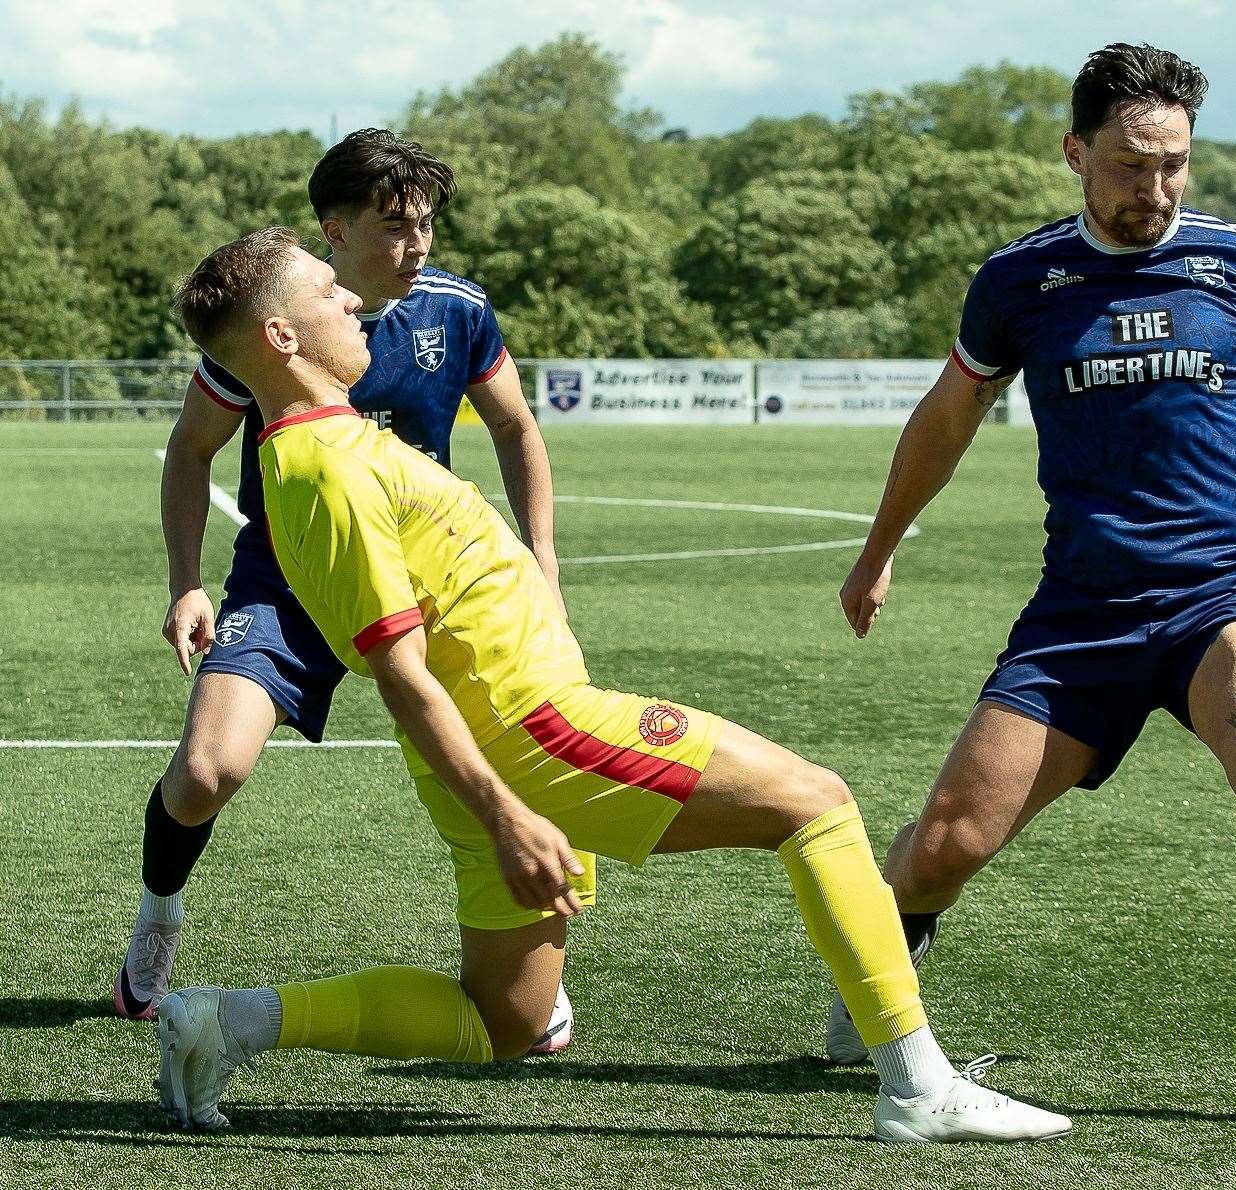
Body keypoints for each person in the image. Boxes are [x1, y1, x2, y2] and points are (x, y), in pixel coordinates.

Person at [150, 227, 1070, 1144]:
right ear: (281, 337)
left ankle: (228, 1021)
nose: (351, 299)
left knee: (501, 1020)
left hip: (493, 749)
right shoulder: (327, 467)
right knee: (816, 805)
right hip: (536, 733)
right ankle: (917, 1084)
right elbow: (402, 675)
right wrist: (510, 812)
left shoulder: (328, 442)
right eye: (324, 290)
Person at [826, 44, 1236, 1134]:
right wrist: (877, 548)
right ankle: (884, 957)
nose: (1154, 189)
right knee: (945, 841)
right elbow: (945, 419)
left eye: (1173, 165)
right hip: (1080, 616)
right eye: (1132, 165)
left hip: (1220, 596)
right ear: (1074, 153)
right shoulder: (1018, 282)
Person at [116, 130, 584, 1053]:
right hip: (288, 582)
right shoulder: (272, 319)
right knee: (208, 772)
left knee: (518, 761)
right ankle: (159, 909)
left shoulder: (458, 310)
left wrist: (543, 561)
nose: (419, 246)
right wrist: (186, 581)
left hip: (432, 595)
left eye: (428, 226)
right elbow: (190, 449)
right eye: (396, 226)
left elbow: (517, 427)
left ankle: (532, 975)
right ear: (334, 232)